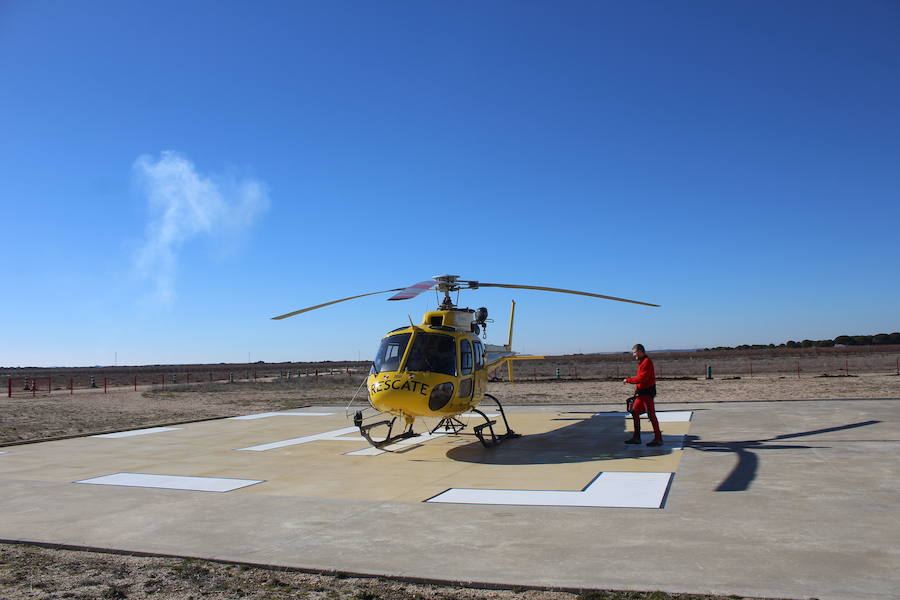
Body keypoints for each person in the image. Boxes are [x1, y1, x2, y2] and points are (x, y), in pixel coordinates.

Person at [623, 343, 663, 446]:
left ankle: (658, 438)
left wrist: (629, 380)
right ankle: (636, 437)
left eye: (634, 352)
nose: (633, 355)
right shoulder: (642, 362)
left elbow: (642, 378)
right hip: (641, 393)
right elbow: (641, 379)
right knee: (634, 411)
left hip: (647, 393)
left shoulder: (646, 362)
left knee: (651, 415)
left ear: (640, 351)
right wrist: (636, 390)